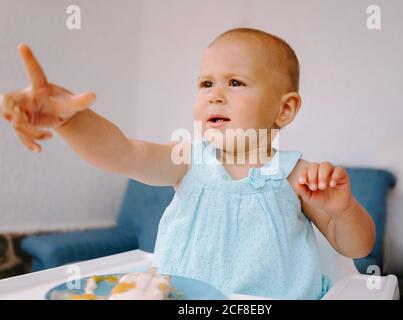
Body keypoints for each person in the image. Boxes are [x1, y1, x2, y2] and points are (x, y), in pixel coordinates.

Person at [0, 27, 375, 299]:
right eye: (206, 84)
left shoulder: (297, 176)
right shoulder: (186, 160)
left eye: (235, 83)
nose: (215, 96)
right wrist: (69, 120)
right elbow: (122, 152)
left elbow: (357, 248)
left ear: (285, 108)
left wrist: (342, 212)